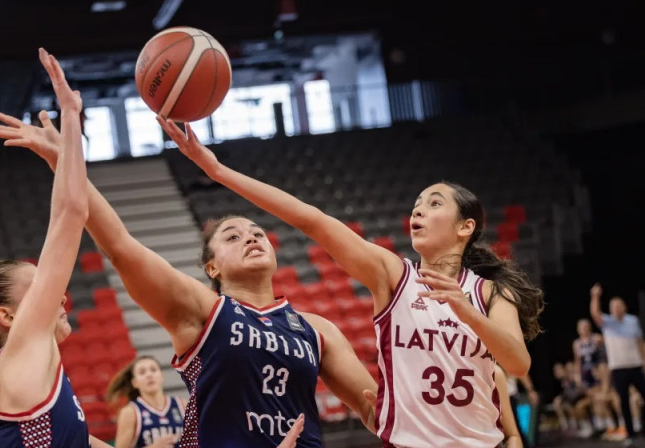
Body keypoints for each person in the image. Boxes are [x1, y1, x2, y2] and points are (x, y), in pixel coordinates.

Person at [156, 117, 545, 448]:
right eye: (417, 205)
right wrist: (218, 171)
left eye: (435, 203)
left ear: (466, 226)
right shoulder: (392, 275)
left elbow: (518, 362)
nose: (420, 209)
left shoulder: (489, 291)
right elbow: (310, 219)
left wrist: (466, 311)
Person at [0, 118, 366, 447]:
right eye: (232, 236)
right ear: (212, 268)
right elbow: (120, 246)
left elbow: (374, 406)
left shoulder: (317, 330)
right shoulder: (203, 311)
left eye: (257, 232)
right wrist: (63, 161)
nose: (251, 237)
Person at [0, 48, 104, 447]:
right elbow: (71, 212)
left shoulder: (36, 374)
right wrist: (70, 117)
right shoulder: (21, 354)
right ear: (7, 315)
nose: (60, 294)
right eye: (39, 288)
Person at [590, 282, 645, 445]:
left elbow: (640, 342)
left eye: (619, 305)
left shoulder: (632, 320)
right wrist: (595, 296)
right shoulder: (607, 322)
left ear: (624, 307)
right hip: (618, 368)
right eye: (613, 306)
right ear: (611, 309)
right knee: (623, 401)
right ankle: (630, 433)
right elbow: (595, 313)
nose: (616, 308)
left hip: (635, 365)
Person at [107, 355, 185, 448]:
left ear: (162, 375)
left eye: (153, 370)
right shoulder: (130, 412)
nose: (149, 375)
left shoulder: (182, 405)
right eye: (142, 372)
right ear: (135, 382)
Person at [495, 364, 524, 448]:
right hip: (508, 395)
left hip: (509, 396)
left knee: (514, 430)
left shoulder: (496, 371)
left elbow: (523, 369)